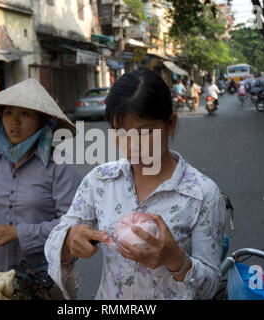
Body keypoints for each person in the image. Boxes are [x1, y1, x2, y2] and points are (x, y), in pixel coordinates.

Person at [44, 70, 227, 300]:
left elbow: (210, 286)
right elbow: (56, 238)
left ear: (170, 123)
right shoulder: (99, 181)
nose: (132, 146)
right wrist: (69, 240)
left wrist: (176, 260)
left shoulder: (203, 195)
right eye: (121, 133)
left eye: (145, 132)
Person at [0, 78, 81, 299]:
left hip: (49, 280)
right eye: (9, 113)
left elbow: (73, 225)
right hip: (3, 277)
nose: (14, 122)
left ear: (43, 121)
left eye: (25, 114)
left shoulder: (60, 164)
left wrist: (16, 233)